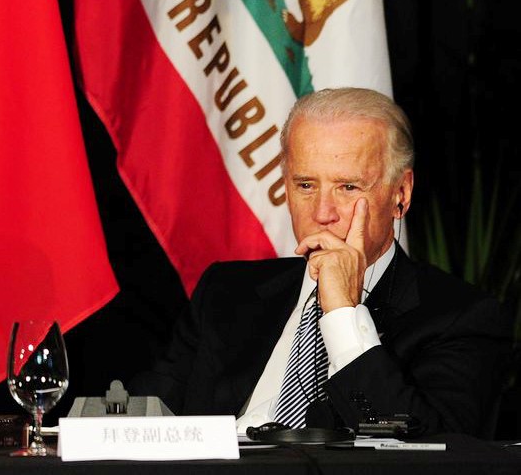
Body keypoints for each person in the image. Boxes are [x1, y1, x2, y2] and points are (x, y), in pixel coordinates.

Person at [132, 88, 509, 436]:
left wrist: (343, 315)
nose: (322, 213)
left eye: (348, 187)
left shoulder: (460, 318)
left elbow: (428, 454)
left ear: (401, 193)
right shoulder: (224, 293)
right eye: (306, 185)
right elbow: (142, 423)